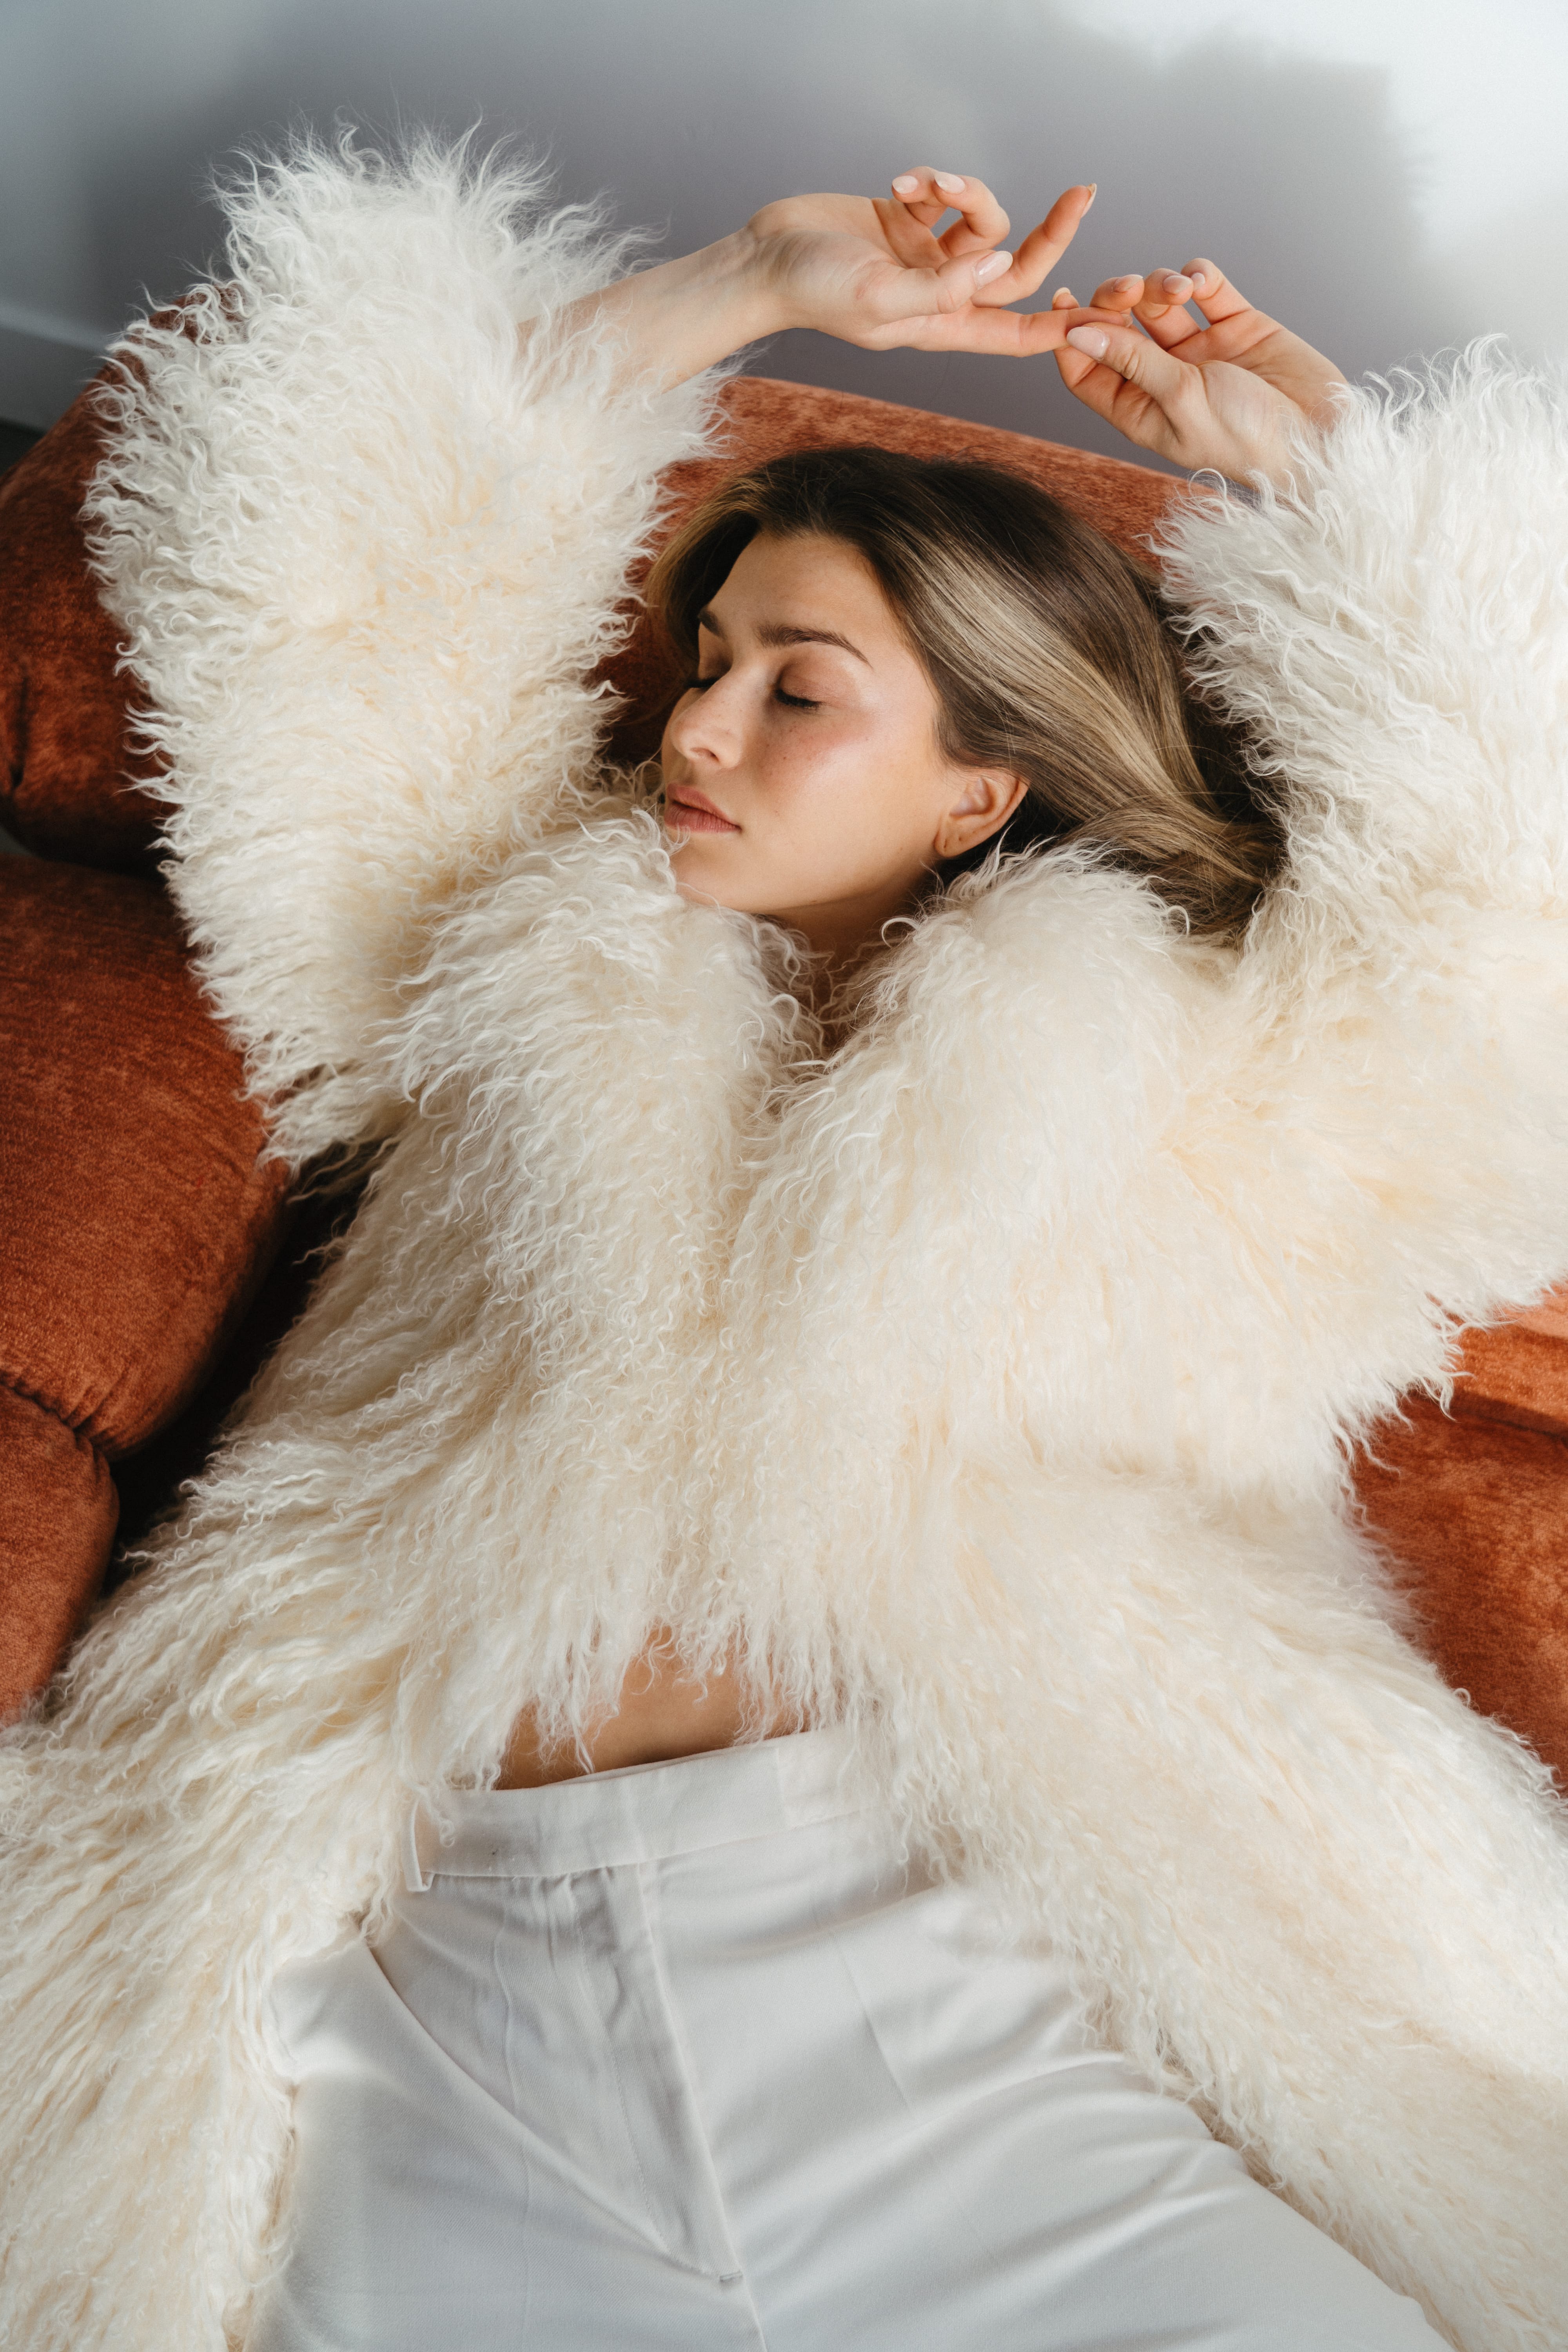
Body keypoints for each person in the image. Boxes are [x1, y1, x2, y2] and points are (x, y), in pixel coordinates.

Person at [2, 136, 1567, 2352]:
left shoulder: (1220, 1105)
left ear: (985, 785)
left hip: (982, 2005)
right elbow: (316, 604)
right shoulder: (493, 967)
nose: (696, 731)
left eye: (796, 689)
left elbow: (1515, 937)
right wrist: (739, 283)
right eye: (704, 658)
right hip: (437, 2002)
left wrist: (1330, 471)